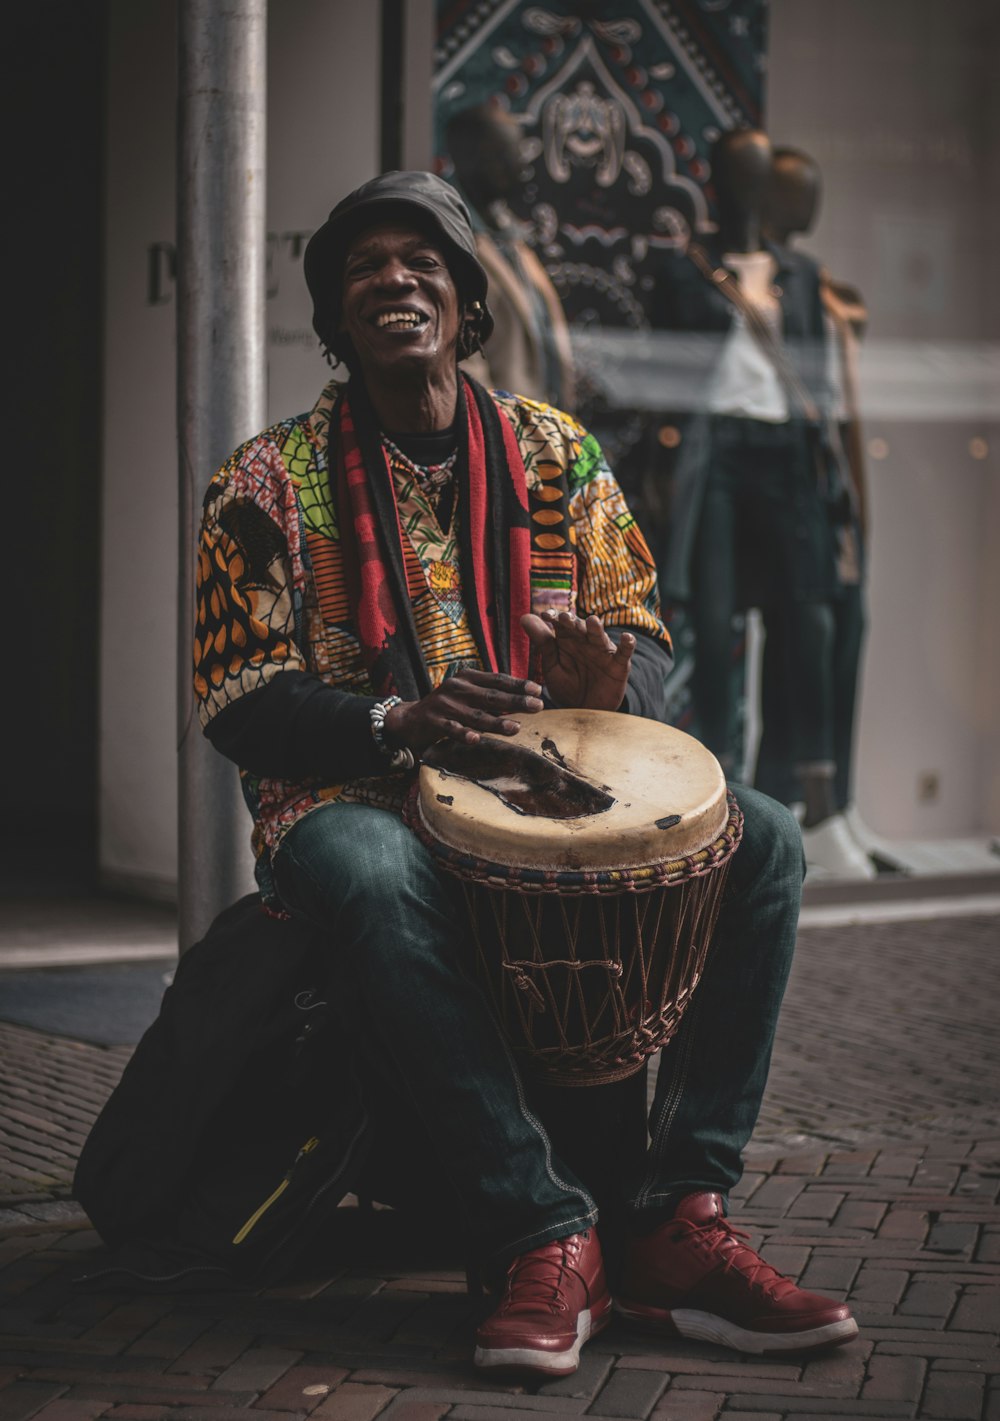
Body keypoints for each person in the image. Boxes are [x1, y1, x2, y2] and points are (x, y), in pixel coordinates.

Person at [192, 169, 857, 1377]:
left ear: (466, 303)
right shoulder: (266, 481)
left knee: (763, 837)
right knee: (375, 865)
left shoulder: (554, 455)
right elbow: (238, 694)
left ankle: (674, 1216)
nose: (393, 278)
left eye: (420, 261)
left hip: (549, 784)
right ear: (338, 323)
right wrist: (400, 719)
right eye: (361, 269)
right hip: (352, 799)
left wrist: (613, 690)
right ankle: (539, 1224)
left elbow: (647, 636)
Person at [648, 129, 871, 878]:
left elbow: (818, 369)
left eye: (757, 179)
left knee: (800, 620)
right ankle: (719, 791)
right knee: (714, 627)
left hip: (785, 460)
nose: (747, 193)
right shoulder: (687, 270)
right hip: (717, 457)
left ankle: (786, 798)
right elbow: (667, 362)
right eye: (735, 178)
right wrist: (729, 293)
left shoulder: (800, 274)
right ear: (715, 184)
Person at [757, 147, 902, 874]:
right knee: (802, 642)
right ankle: (805, 806)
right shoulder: (769, 284)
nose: (810, 203)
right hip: (790, 494)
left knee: (845, 629)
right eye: (795, 191)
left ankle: (837, 804)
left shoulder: (814, 283)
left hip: (832, 488)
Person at [445, 103, 576, 409]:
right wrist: (499, 434)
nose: (519, 166)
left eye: (518, 153)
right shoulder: (449, 242)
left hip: (543, 427)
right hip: (503, 435)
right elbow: (459, 360)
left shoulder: (509, 237)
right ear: (468, 158)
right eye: (503, 154)